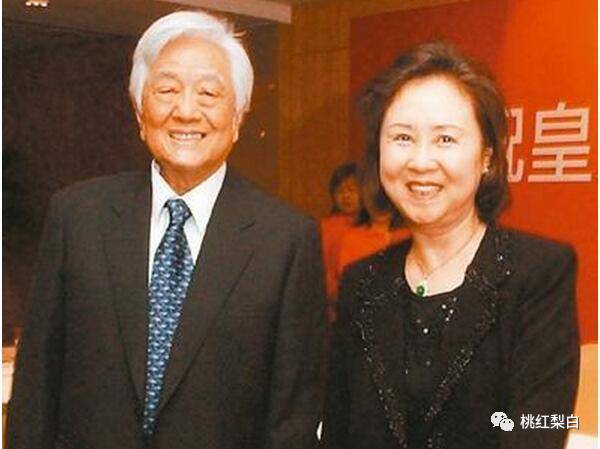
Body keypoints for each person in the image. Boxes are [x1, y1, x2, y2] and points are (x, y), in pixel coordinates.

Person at [7, 11, 325, 449]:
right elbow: (35, 391)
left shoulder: (285, 239)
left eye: (208, 93)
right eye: (167, 90)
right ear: (141, 112)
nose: (186, 111)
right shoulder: (76, 217)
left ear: (238, 117)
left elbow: (290, 419)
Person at [321, 42, 579, 449]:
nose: (421, 161)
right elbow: (337, 430)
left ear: (487, 157)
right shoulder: (362, 283)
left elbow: (541, 425)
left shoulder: (538, 273)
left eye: (445, 139)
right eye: (402, 137)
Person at [320, 163, 360, 318]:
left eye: (352, 190)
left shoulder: (375, 227)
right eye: (340, 191)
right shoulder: (325, 227)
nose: (346, 196)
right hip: (333, 307)